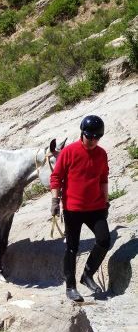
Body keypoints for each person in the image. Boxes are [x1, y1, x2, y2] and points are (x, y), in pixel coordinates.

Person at [50, 115, 110, 302]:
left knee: (104, 240)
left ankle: (87, 275)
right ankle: (70, 287)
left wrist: (105, 201)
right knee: (71, 248)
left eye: (96, 137)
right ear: (82, 133)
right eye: (89, 136)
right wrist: (55, 201)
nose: (92, 140)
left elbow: (103, 179)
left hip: (95, 207)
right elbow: (56, 177)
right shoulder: (69, 152)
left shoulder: (101, 153)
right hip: (73, 208)